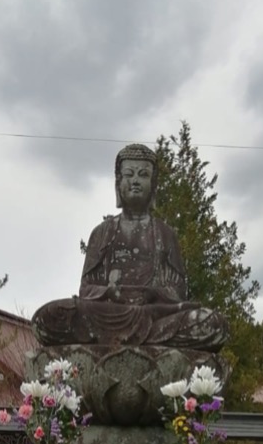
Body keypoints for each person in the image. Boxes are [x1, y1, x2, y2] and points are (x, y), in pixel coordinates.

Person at [32, 144, 228, 349]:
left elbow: (178, 291)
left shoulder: (165, 234)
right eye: (129, 174)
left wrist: (153, 294)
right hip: (105, 316)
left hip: (154, 317)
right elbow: (85, 288)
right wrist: (108, 292)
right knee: (46, 319)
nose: (135, 181)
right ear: (118, 182)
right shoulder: (102, 232)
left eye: (143, 175)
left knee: (211, 323)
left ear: (153, 184)